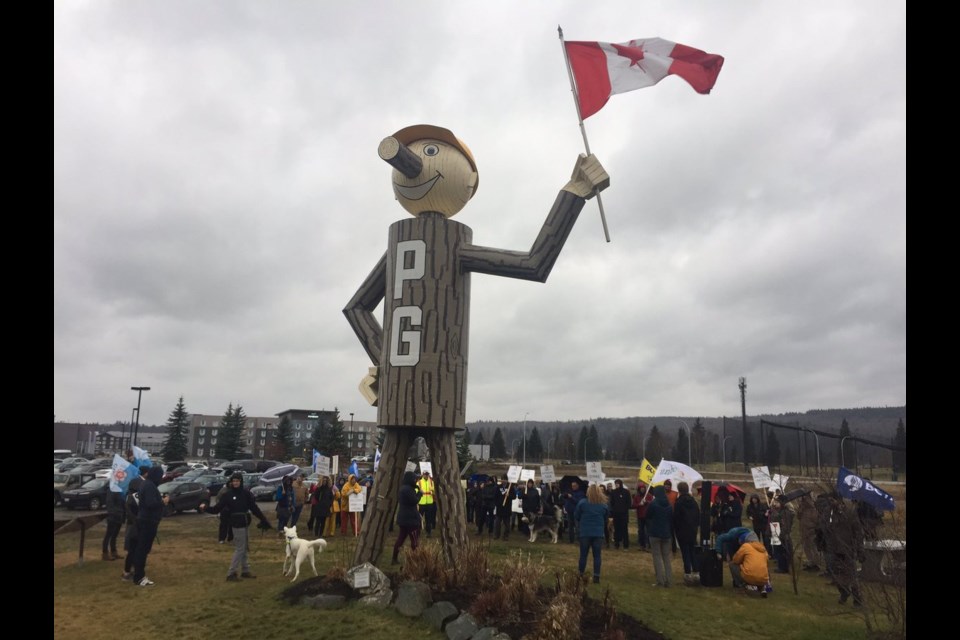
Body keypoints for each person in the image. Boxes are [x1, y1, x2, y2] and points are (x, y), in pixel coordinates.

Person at [201, 472, 272, 581]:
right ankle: (231, 573)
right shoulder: (227, 495)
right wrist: (205, 507)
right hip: (236, 524)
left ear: (241, 482)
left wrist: (263, 519)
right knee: (240, 548)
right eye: (233, 481)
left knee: (244, 548)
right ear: (231, 482)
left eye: (237, 481)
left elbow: (254, 508)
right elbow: (216, 509)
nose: (235, 483)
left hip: (245, 523)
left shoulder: (246, 493)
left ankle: (245, 570)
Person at [129, 466, 169, 587]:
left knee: (141, 549)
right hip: (148, 522)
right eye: (160, 476)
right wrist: (163, 502)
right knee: (143, 549)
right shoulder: (150, 486)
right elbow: (150, 504)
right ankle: (139, 577)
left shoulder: (146, 484)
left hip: (144, 520)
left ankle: (138, 574)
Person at [574, 483, 610, 584]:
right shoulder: (603, 505)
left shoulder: (582, 503)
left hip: (585, 532)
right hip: (598, 533)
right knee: (597, 556)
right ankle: (596, 576)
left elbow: (576, 515)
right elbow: (606, 517)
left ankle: (580, 574)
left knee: (583, 555)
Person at [121, 466, 148, 581]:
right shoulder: (133, 496)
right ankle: (128, 572)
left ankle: (131, 569)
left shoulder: (130, 496)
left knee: (134, 549)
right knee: (133, 549)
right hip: (135, 524)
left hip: (134, 523)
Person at [646, 485, 674, 587]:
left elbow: (647, 516)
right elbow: (671, 519)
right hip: (666, 534)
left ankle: (660, 580)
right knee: (666, 557)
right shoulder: (669, 505)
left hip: (655, 533)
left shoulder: (653, 504)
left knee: (657, 557)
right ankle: (669, 580)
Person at [392, 471, 423, 564]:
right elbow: (414, 501)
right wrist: (420, 493)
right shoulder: (408, 490)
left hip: (403, 518)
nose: (416, 481)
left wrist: (416, 488)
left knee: (400, 539)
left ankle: (394, 558)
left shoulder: (403, 488)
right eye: (415, 479)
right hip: (411, 518)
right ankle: (415, 559)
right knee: (414, 539)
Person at [673, 481, 701, 584]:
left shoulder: (679, 502)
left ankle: (688, 573)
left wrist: (676, 529)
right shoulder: (693, 502)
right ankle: (697, 572)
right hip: (692, 531)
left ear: (679, 490)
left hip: (682, 531)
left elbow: (676, 517)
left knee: (685, 553)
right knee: (692, 551)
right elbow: (698, 515)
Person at [730, 530, 771, 595]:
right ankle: (762, 588)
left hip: (749, 577)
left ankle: (741, 587)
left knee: (732, 565)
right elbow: (767, 562)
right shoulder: (763, 548)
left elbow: (735, 560)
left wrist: (742, 561)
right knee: (761, 568)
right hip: (764, 579)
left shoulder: (746, 546)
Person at [768, 495, 794, 574]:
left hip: (782, 534)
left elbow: (785, 525)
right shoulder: (779, 511)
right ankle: (781, 566)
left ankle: (783, 567)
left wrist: (781, 534)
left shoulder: (785, 512)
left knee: (783, 551)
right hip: (777, 532)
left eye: (777, 502)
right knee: (779, 551)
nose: (775, 503)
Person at [796, 493, 822, 571]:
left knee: (813, 547)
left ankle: (816, 563)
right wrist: (800, 509)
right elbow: (798, 517)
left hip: (811, 531)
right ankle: (810, 561)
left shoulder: (813, 509)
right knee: (806, 547)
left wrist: (812, 529)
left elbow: (816, 521)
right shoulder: (803, 509)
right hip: (804, 531)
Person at [102, 488, 125, 561]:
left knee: (114, 535)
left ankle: (114, 552)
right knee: (109, 535)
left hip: (120, 515)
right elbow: (110, 503)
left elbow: (122, 503)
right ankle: (105, 553)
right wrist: (113, 514)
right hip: (113, 516)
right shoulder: (111, 490)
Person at [608, 479, 631, 550]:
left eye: (618, 483)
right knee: (616, 530)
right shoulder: (613, 492)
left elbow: (629, 503)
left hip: (624, 514)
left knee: (624, 530)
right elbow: (611, 503)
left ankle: (625, 545)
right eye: (616, 484)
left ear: (621, 484)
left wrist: (624, 509)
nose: (617, 485)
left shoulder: (626, 492)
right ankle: (616, 544)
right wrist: (612, 512)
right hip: (616, 514)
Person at [417, 470, 437, 537]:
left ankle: (429, 532)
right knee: (419, 518)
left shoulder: (431, 482)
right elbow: (415, 491)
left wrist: (433, 490)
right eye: (425, 474)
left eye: (427, 474)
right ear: (422, 475)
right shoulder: (419, 482)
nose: (426, 475)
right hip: (421, 503)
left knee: (429, 518)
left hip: (429, 502)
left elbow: (434, 490)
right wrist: (419, 492)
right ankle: (418, 531)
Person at [495, 476, 514, 540]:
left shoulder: (510, 487)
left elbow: (514, 496)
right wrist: (497, 504)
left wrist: (509, 496)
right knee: (497, 523)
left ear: (507, 480)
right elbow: (495, 496)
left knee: (507, 524)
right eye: (502, 479)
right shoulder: (498, 487)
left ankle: (506, 536)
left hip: (507, 508)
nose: (503, 481)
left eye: (505, 479)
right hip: (500, 508)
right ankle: (497, 535)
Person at [632, 482, 649, 550]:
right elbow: (633, 505)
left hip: (647, 516)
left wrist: (646, 502)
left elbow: (652, 503)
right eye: (641, 489)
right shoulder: (637, 497)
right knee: (641, 531)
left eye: (643, 488)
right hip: (640, 516)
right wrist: (639, 504)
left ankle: (647, 544)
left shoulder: (648, 495)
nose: (642, 490)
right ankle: (641, 544)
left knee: (647, 531)